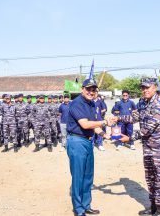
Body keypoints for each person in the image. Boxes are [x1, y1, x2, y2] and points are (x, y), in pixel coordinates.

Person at [119, 77, 160, 216]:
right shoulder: (142, 102)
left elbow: (148, 128)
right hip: (147, 146)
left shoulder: (158, 104)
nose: (145, 90)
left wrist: (130, 138)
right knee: (150, 178)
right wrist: (117, 118)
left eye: (147, 87)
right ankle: (153, 207)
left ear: (154, 87)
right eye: (143, 88)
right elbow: (134, 117)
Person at [66, 78, 113, 216]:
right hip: (76, 141)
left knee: (88, 176)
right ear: (82, 89)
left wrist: (105, 135)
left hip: (88, 141)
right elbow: (85, 124)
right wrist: (105, 122)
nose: (91, 92)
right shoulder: (76, 103)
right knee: (78, 176)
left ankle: (86, 205)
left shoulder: (92, 104)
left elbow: (95, 126)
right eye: (88, 89)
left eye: (93, 90)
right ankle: (79, 209)